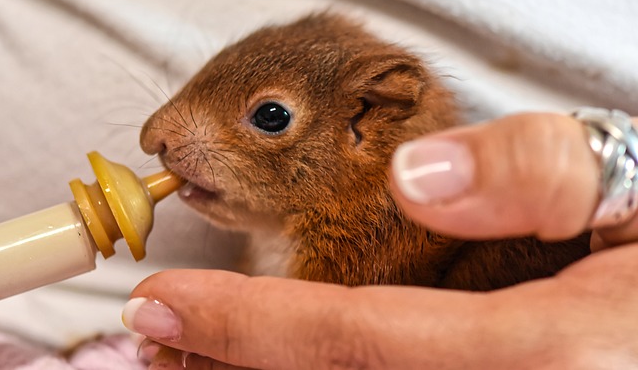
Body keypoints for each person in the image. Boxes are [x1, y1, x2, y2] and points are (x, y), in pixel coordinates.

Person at [121, 109, 638, 370]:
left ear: (366, 118)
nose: (156, 142)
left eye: (271, 118)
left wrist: (623, 166)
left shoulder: (366, 219)